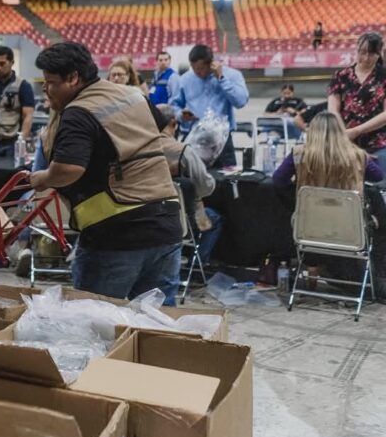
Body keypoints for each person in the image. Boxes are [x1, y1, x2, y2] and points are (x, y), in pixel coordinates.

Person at [29, 42, 182, 305]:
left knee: (94, 327)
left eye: (50, 82)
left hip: (117, 236)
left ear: (73, 78)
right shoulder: (132, 96)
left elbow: (67, 170)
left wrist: (41, 178)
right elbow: (162, 131)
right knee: (157, 328)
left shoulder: (78, 112)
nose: (45, 88)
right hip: (166, 225)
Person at [155, 104, 222, 264]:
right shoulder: (182, 151)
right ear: (173, 123)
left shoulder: (140, 147)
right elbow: (206, 187)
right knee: (215, 219)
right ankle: (198, 264)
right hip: (179, 217)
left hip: (149, 214)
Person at [171, 44, 249, 169]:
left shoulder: (232, 75)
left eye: (201, 68)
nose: (198, 72)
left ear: (211, 63)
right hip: (193, 137)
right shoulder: (185, 79)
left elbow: (240, 101)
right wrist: (181, 115)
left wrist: (222, 79)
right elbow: (174, 106)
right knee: (190, 180)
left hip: (221, 141)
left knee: (225, 181)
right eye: (194, 68)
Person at [273, 113, 383, 191]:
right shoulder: (357, 154)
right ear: (340, 131)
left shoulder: (298, 153)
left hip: (309, 216)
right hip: (348, 218)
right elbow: (377, 177)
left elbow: (278, 179)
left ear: (312, 132)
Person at [328, 31, 386, 173]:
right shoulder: (341, 75)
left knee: (378, 187)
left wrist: (356, 131)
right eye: (362, 52)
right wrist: (344, 135)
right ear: (356, 49)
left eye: (372, 54)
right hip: (344, 143)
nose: (366, 58)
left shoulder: (383, 76)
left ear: (379, 53)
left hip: (378, 144)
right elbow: (333, 110)